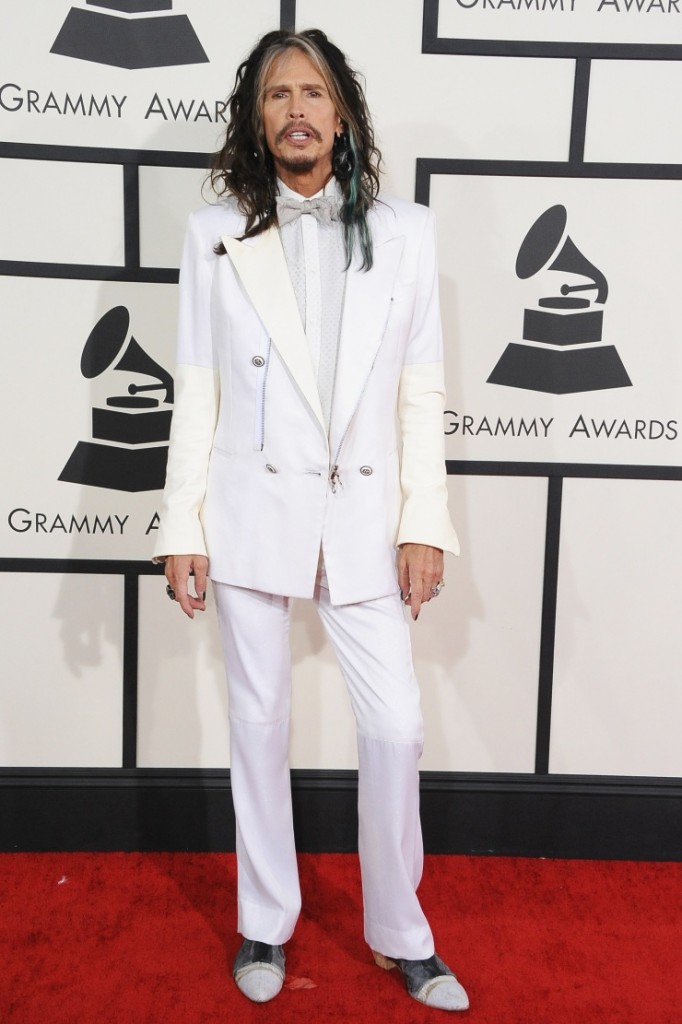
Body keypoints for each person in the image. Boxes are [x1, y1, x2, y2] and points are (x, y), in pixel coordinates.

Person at [153, 28, 467, 1013]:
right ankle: (264, 921)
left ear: (341, 114)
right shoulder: (213, 232)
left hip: (367, 512)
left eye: (314, 92)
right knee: (257, 722)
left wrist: (425, 518)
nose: (296, 108)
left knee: (395, 727)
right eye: (278, 93)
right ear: (259, 117)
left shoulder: (407, 232)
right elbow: (195, 386)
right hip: (248, 506)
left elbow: (421, 392)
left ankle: (398, 930)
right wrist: (181, 523)